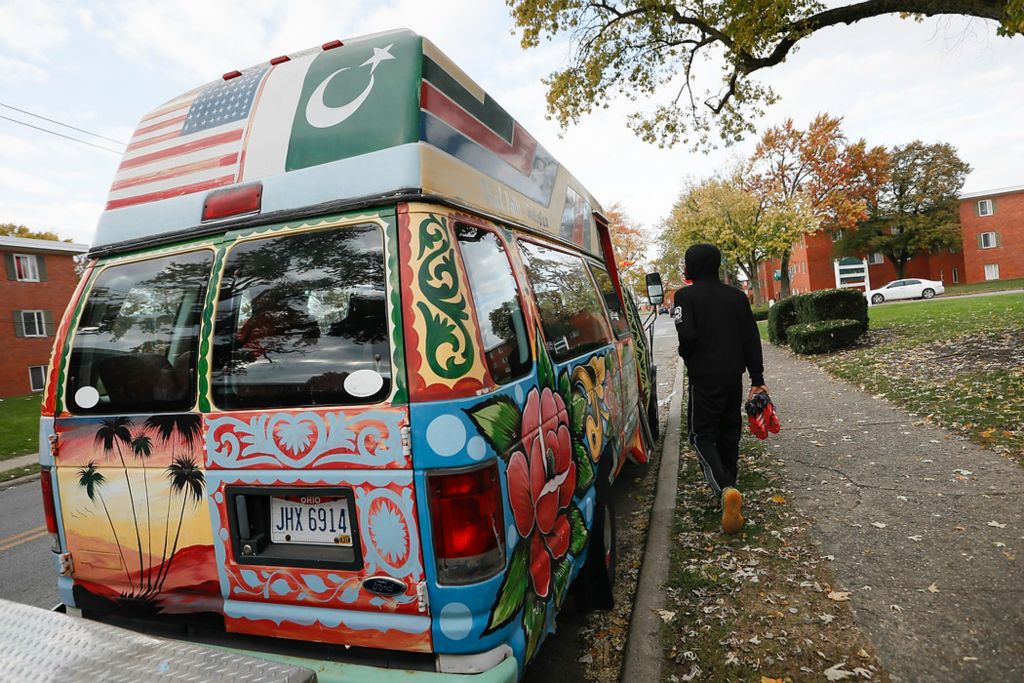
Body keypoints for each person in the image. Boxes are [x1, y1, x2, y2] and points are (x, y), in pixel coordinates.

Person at [673, 244, 767, 534]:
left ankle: (725, 490)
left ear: (692, 266)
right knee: (729, 433)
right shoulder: (737, 297)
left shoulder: (684, 296)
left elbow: (686, 333)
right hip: (733, 378)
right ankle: (732, 484)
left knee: (701, 436)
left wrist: (686, 353)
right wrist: (757, 377)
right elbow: (751, 337)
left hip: (704, 379)